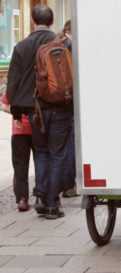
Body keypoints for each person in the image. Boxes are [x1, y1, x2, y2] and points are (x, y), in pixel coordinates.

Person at [6, 5, 73, 219]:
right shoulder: (64, 44)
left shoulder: (22, 46)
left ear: (33, 22)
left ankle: (42, 198)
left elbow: (13, 82)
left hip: (34, 110)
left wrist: (16, 114)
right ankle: (53, 203)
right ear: (51, 22)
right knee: (58, 154)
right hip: (61, 108)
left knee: (42, 154)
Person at [1, 88, 33, 212]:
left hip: (19, 130)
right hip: (36, 128)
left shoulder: (13, 85)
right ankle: (43, 197)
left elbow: (3, 106)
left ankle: (22, 199)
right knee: (42, 162)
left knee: (20, 165)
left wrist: (16, 114)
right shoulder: (34, 80)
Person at [59, 19, 77, 198]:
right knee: (71, 142)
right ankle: (69, 185)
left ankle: (51, 188)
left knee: (56, 147)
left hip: (52, 102)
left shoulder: (54, 43)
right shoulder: (70, 46)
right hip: (70, 101)